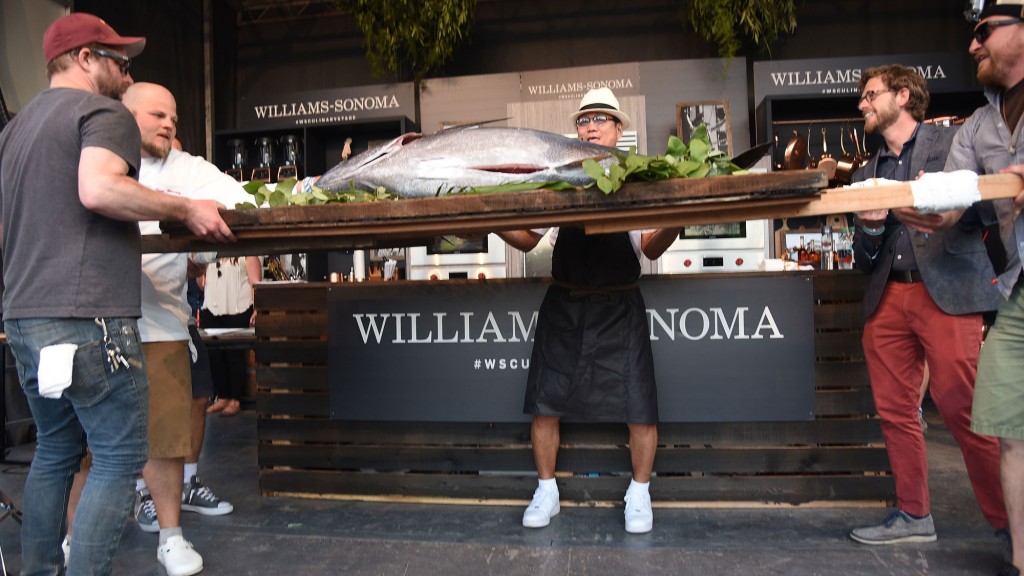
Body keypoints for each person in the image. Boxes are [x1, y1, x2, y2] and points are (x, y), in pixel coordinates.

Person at [0, 12, 233, 576]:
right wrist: (186, 208)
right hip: (90, 317)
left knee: (55, 451)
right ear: (84, 59)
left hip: (27, 318)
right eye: (119, 64)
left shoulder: (16, 129)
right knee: (120, 455)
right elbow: (100, 187)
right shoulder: (100, 111)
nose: (126, 79)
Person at [498, 87, 679, 534]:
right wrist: (486, 215)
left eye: (601, 119)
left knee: (640, 406)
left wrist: (679, 215)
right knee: (545, 404)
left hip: (621, 305)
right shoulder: (560, 175)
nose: (591, 126)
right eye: (584, 120)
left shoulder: (638, 178)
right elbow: (527, 238)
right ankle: (547, 491)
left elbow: (651, 248)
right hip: (566, 302)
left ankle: (639, 494)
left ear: (619, 129)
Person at [846, 65, 1009, 549]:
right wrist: (871, 226)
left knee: (965, 410)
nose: (862, 105)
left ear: (903, 96)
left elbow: (990, 206)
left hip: (948, 290)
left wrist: (940, 198)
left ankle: (1009, 524)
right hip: (887, 295)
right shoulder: (864, 173)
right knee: (896, 411)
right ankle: (914, 514)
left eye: (870, 95)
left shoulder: (954, 144)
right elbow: (862, 258)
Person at [118, 82, 244, 575]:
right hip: (98, 318)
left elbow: (236, 200)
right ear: (127, 117)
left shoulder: (188, 169)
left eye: (173, 116)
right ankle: (71, 546)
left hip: (162, 319)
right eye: (157, 115)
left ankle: (170, 536)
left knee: (169, 438)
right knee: (86, 448)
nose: (169, 123)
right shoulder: (99, 159)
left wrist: (201, 238)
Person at [941, 2, 1024, 574]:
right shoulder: (977, 123)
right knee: (1009, 432)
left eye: (983, 32)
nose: (973, 46)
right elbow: (952, 198)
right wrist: (924, 210)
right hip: (1015, 292)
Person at [201, 255, 262, 416]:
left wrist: (257, 309)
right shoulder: (209, 256)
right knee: (214, 356)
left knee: (234, 356)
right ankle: (222, 396)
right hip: (212, 309)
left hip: (238, 309)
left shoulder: (246, 256)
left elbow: (255, 284)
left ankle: (235, 399)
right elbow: (201, 283)